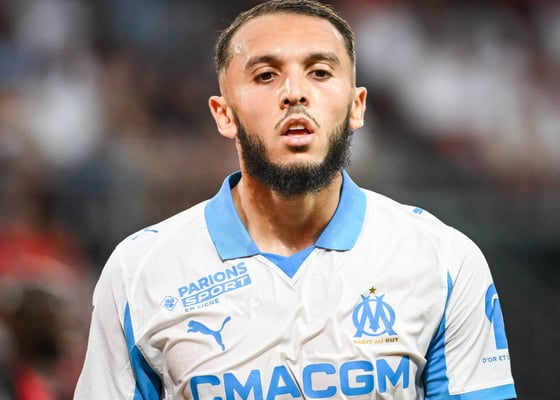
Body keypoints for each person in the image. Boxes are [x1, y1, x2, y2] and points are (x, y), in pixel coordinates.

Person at [74, 0, 516, 398]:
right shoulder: (139, 272)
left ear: (357, 106)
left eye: (320, 72)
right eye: (266, 75)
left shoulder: (443, 261)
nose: (294, 92)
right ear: (224, 115)